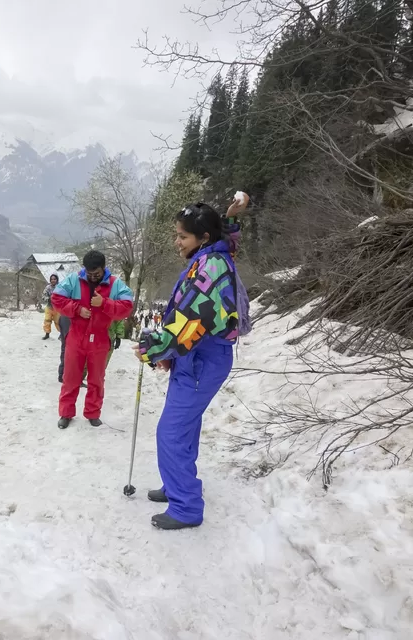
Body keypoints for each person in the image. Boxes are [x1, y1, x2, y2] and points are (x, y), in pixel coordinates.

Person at [135, 194, 252, 530]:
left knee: (170, 433)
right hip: (195, 358)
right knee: (183, 428)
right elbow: (228, 241)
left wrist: (152, 348)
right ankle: (176, 486)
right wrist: (229, 217)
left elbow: (189, 321)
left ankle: (186, 506)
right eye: (177, 234)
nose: (177, 242)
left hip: (203, 359)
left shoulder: (210, 269)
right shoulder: (212, 252)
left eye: (182, 237)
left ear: (203, 238)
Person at [52, 250, 133, 428]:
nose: (92, 277)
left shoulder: (115, 284)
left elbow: (127, 306)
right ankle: (66, 413)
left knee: (97, 380)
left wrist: (104, 303)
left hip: (100, 339)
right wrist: (76, 309)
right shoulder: (74, 280)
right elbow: (56, 298)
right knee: (70, 378)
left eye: (96, 274)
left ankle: (93, 413)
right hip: (76, 337)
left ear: (104, 269)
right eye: (89, 274)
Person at [41, 274, 61, 340]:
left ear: (57, 280)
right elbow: (43, 296)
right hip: (49, 307)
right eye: (52, 279)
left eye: (54, 279)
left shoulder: (60, 287)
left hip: (57, 308)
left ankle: (62, 334)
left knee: (58, 322)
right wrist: (48, 299)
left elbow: (64, 296)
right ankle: (47, 334)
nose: (53, 280)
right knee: (47, 321)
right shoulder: (48, 287)